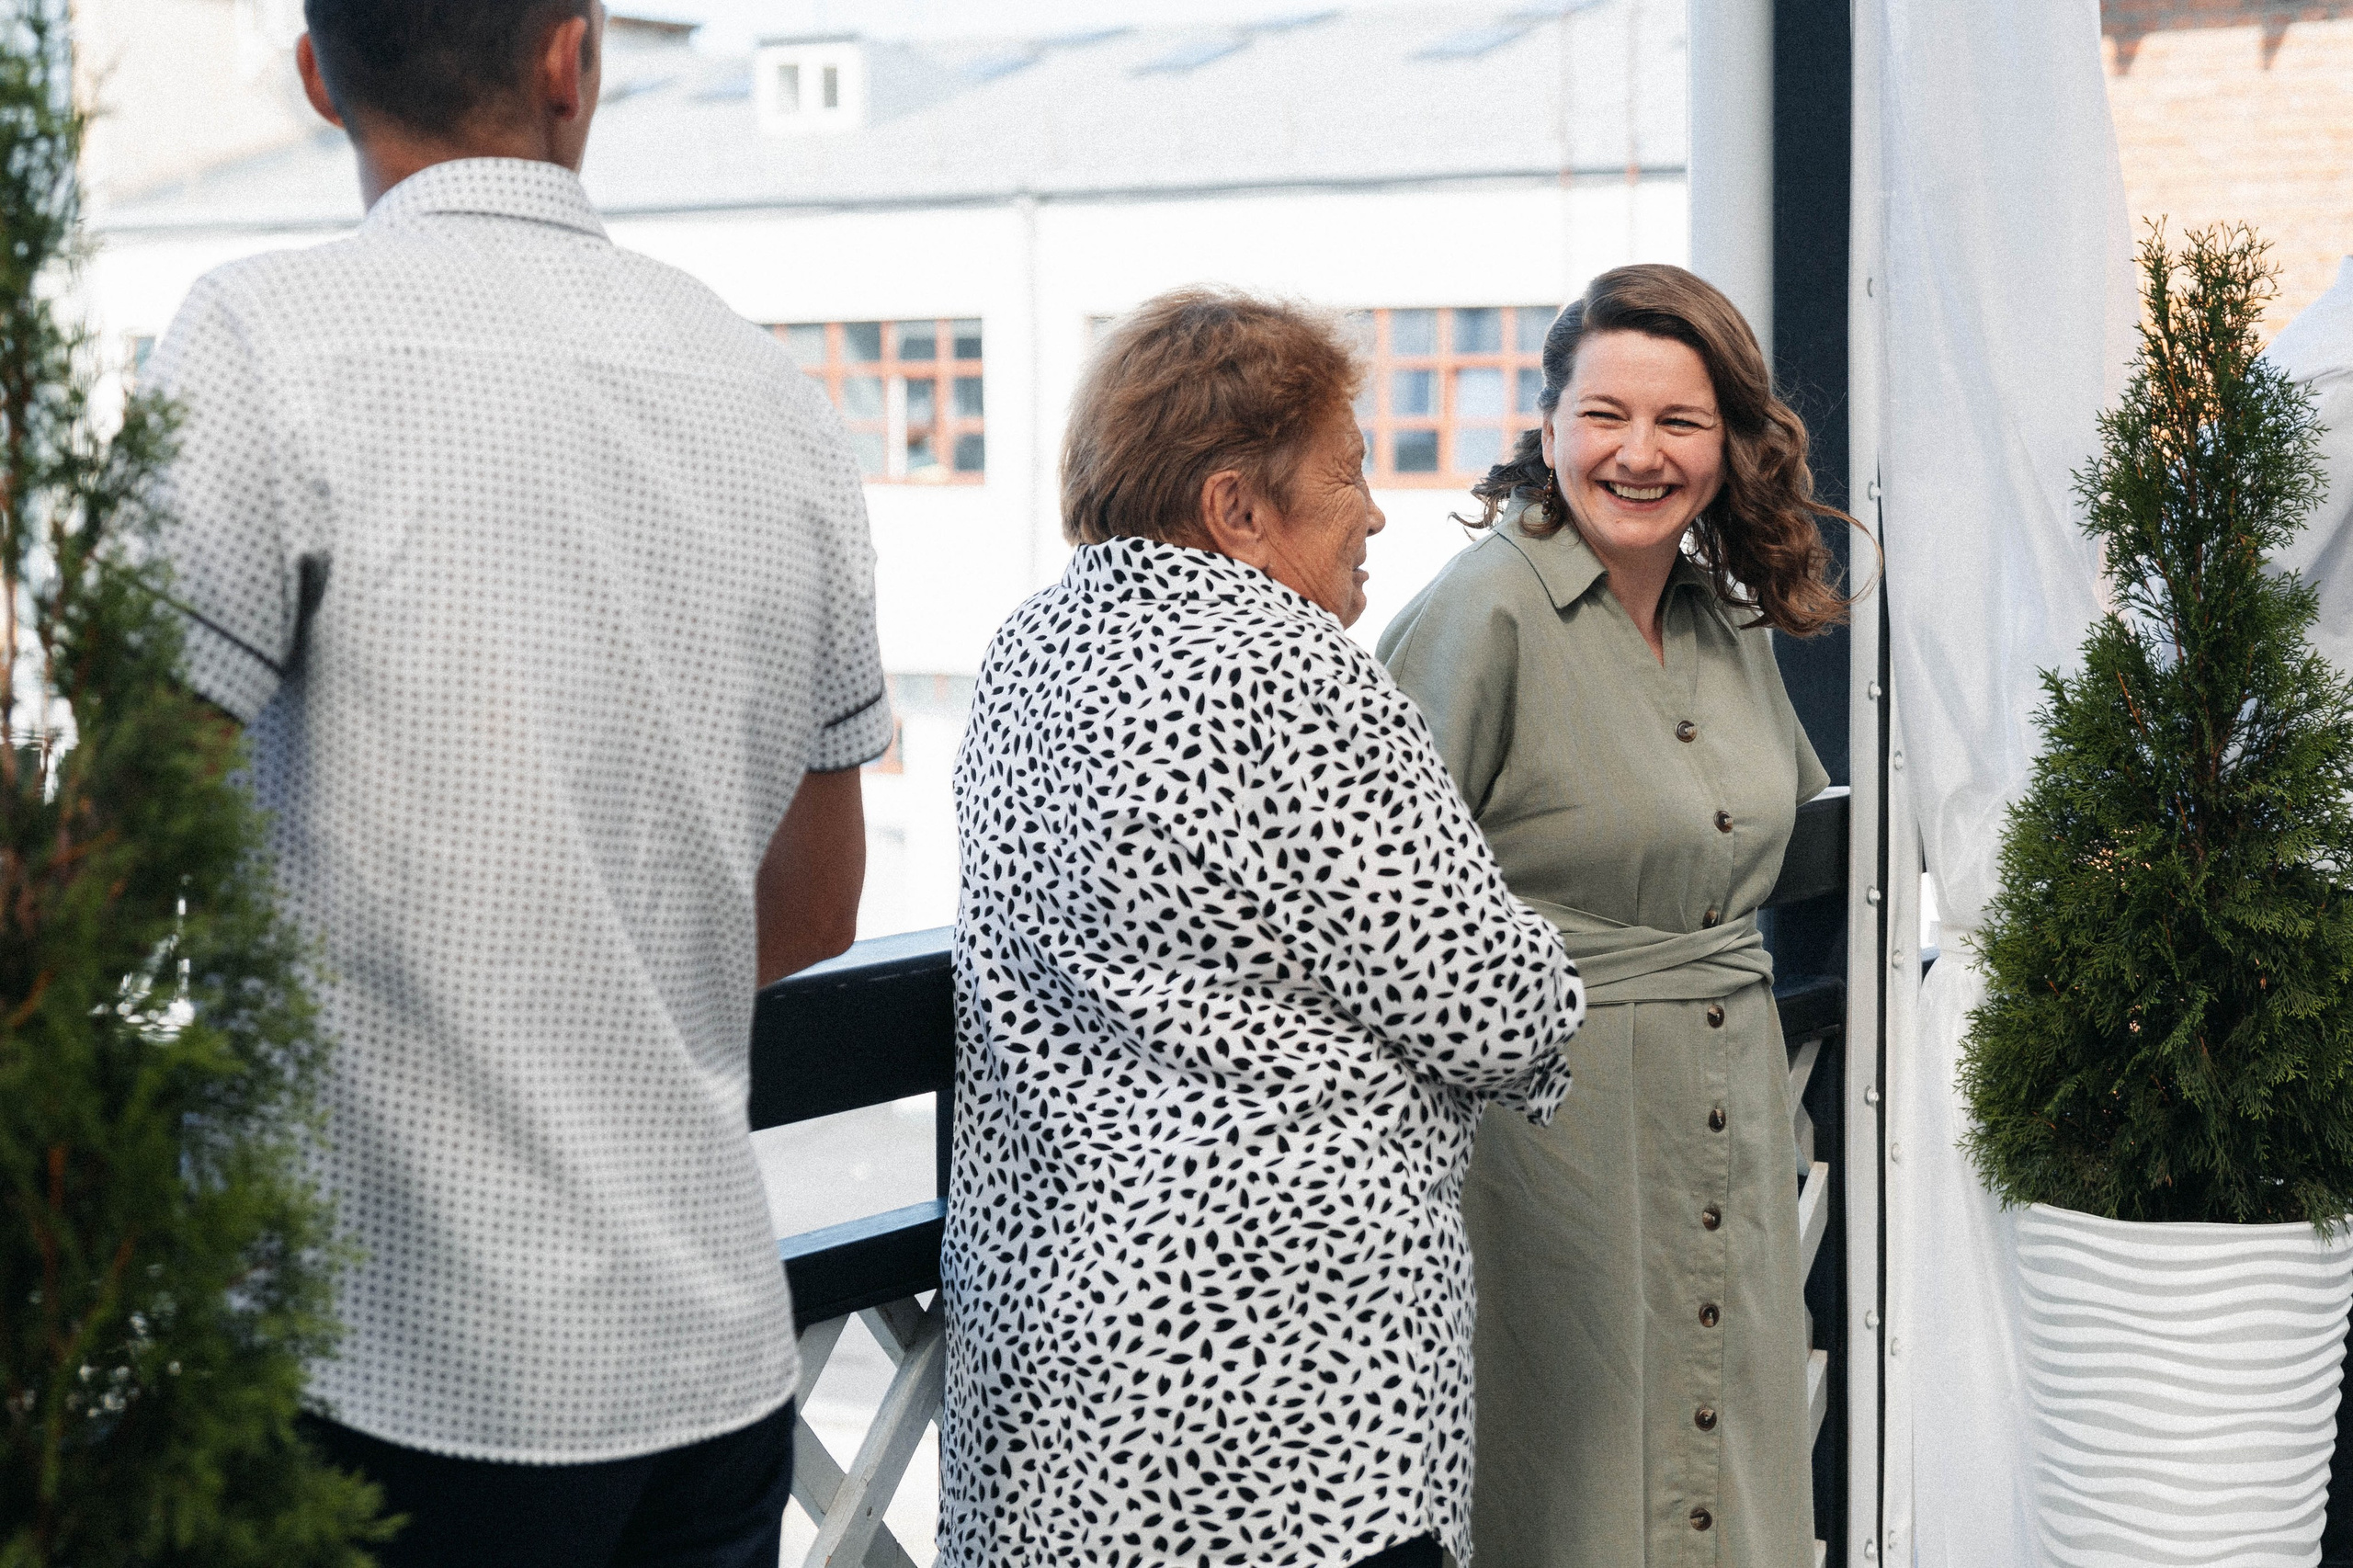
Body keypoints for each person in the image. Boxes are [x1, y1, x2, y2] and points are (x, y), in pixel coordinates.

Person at [146, 2, 890, 1563]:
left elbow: (118, 852)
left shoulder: (258, 340)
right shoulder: (775, 398)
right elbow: (819, 904)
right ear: (573, 59)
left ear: (316, 83)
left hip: (387, 1370)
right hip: (713, 1369)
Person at [938, 288, 1588, 1568]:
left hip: (1054, 1373)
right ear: (1238, 508)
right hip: (1288, 1413)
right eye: (1346, 472)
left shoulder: (1024, 654)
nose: (1376, 509)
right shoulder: (1293, 669)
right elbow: (1494, 1004)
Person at [1378, 264, 1856, 1568]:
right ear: (1547, 428)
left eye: (1679, 422)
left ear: (1729, 444)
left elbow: (1778, 832)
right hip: (1544, 1151)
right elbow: (1362, 891)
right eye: (1604, 415)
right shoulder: (1483, 611)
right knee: (1575, 1488)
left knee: (1728, 1478)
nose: (1638, 454)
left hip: (1733, 1113)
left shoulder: (1725, 620)